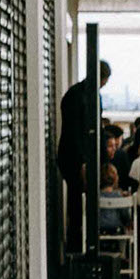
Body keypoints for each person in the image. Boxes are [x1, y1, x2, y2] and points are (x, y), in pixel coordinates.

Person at [56, 59, 108, 252]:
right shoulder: (81, 96)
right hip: (76, 158)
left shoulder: (77, 94)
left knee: (77, 202)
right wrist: (84, 161)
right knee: (77, 203)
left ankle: (79, 244)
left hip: (75, 156)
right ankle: (78, 245)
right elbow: (76, 132)